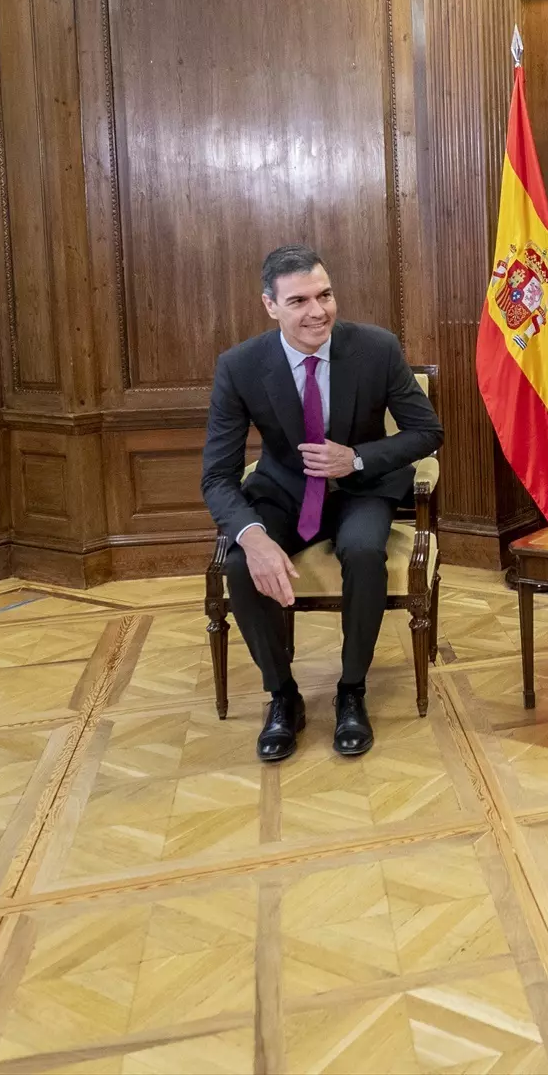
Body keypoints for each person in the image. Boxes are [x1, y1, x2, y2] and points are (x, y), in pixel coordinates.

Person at [202, 244, 443, 763]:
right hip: (284, 492)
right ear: (271, 306)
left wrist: (355, 458)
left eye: (325, 295)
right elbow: (217, 476)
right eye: (299, 301)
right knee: (242, 563)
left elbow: (427, 432)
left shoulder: (376, 348)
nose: (318, 311)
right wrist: (251, 534)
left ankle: (351, 689)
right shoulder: (240, 367)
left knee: (362, 552)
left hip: (361, 489)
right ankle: (282, 696)